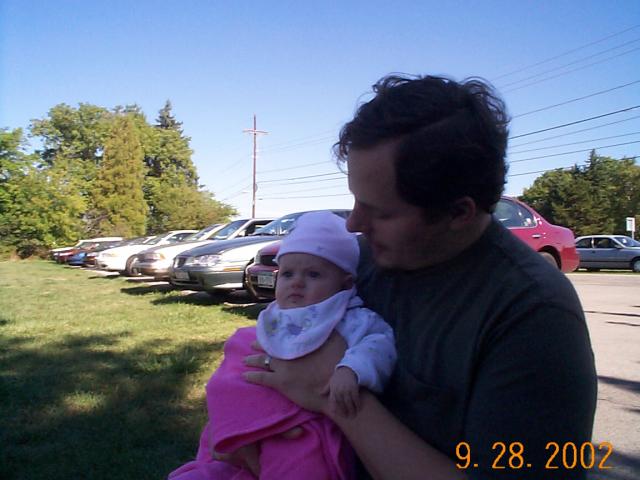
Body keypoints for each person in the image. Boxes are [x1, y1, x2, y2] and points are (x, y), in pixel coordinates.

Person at [244, 74, 598, 480]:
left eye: (381, 211)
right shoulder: (358, 263)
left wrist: (334, 396)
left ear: (458, 213)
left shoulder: (533, 315)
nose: (354, 224)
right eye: (355, 201)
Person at [169, 211, 396, 480]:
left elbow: (379, 343)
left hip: (304, 425)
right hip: (256, 411)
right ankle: (232, 446)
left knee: (301, 465)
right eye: (287, 274)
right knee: (238, 347)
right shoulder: (275, 317)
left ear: (344, 284)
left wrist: (351, 370)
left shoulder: (352, 318)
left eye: (313, 274)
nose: (297, 282)